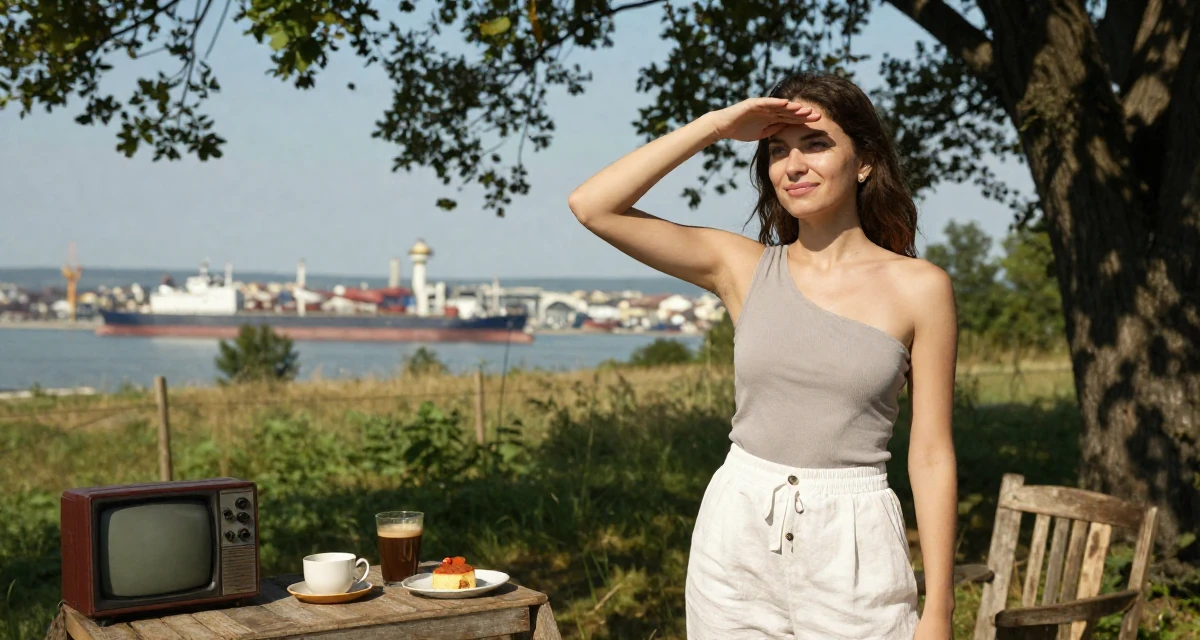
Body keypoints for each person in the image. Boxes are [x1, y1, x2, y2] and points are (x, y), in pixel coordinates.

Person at [567, 72, 958, 639]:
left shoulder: (921, 288)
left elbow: (931, 453)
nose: (793, 166)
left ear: (865, 161)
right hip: (737, 537)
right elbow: (593, 205)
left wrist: (939, 608)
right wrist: (717, 126)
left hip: (853, 545)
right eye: (778, 151)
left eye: (816, 144)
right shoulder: (743, 268)